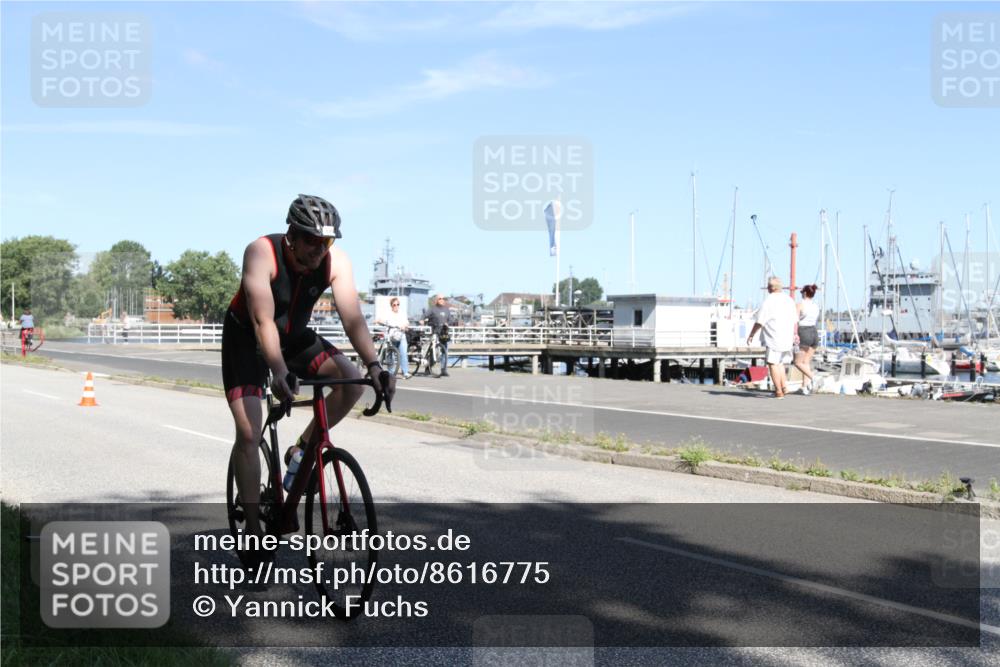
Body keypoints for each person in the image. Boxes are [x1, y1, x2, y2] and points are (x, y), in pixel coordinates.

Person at [222, 194, 392, 562]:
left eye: (326, 242)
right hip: (246, 338)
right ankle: (253, 533)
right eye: (311, 241)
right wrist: (279, 371)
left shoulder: (336, 261)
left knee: (348, 381)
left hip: (293, 336)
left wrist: (375, 367)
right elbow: (262, 320)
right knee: (249, 433)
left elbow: (352, 319)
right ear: (291, 236)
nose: (319, 250)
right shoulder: (261, 252)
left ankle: (300, 450)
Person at [746, 277, 797, 398]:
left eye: (768, 286)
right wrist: (795, 334)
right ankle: (784, 386)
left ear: (771, 288)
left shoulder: (769, 301)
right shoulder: (789, 300)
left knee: (772, 363)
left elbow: (760, 321)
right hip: (787, 336)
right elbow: (795, 320)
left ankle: (778, 391)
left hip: (774, 336)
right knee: (780, 363)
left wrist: (752, 334)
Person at [376, 298, 412, 379]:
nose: (396, 306)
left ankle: (405, 372)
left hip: (401, 336)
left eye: (397, 304)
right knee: (390, 355)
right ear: (391, 306)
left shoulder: (402, 313)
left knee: (403, 354)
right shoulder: (388, 314)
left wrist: (405, 326)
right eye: (394, 305)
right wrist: (378, 321)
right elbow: (381, 320)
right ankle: (390, 372)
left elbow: (406, 322)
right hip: (391, 336)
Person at [793, 284, 819, 394]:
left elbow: (795, 321)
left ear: (804, 293)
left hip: (803, 332)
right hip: (814, 332)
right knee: (806, 361)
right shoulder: (816, 306)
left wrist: (795, 334)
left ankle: (814, 378)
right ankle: (805, 387)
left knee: (797, 362)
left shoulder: (800, 305)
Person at [425, 294, 450, 377]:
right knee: (433, 352)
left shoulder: (447, 310)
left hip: (443, 333)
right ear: (436, 300)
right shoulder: (432, 309)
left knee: (444, 351)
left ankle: (443, 370)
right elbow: (425, 315)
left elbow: (451, 319)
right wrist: (421, 319)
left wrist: (448, 323)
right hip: (435, 332)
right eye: (440, 299)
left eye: (443, 298)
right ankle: (428, 368)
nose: (442, 300)